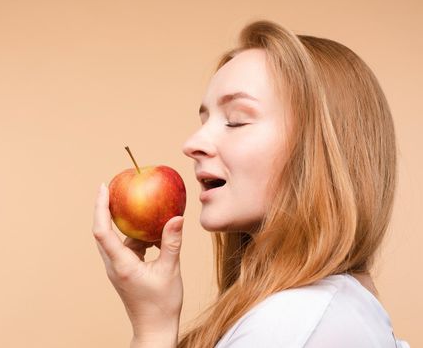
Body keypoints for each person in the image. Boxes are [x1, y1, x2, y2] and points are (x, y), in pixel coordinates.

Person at [91, 20, 411, 347]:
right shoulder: (327, 314)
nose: (193, 143)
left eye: (236, 120)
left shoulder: (294, 323)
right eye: (205, 121)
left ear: (320, 149)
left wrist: (152, 329)